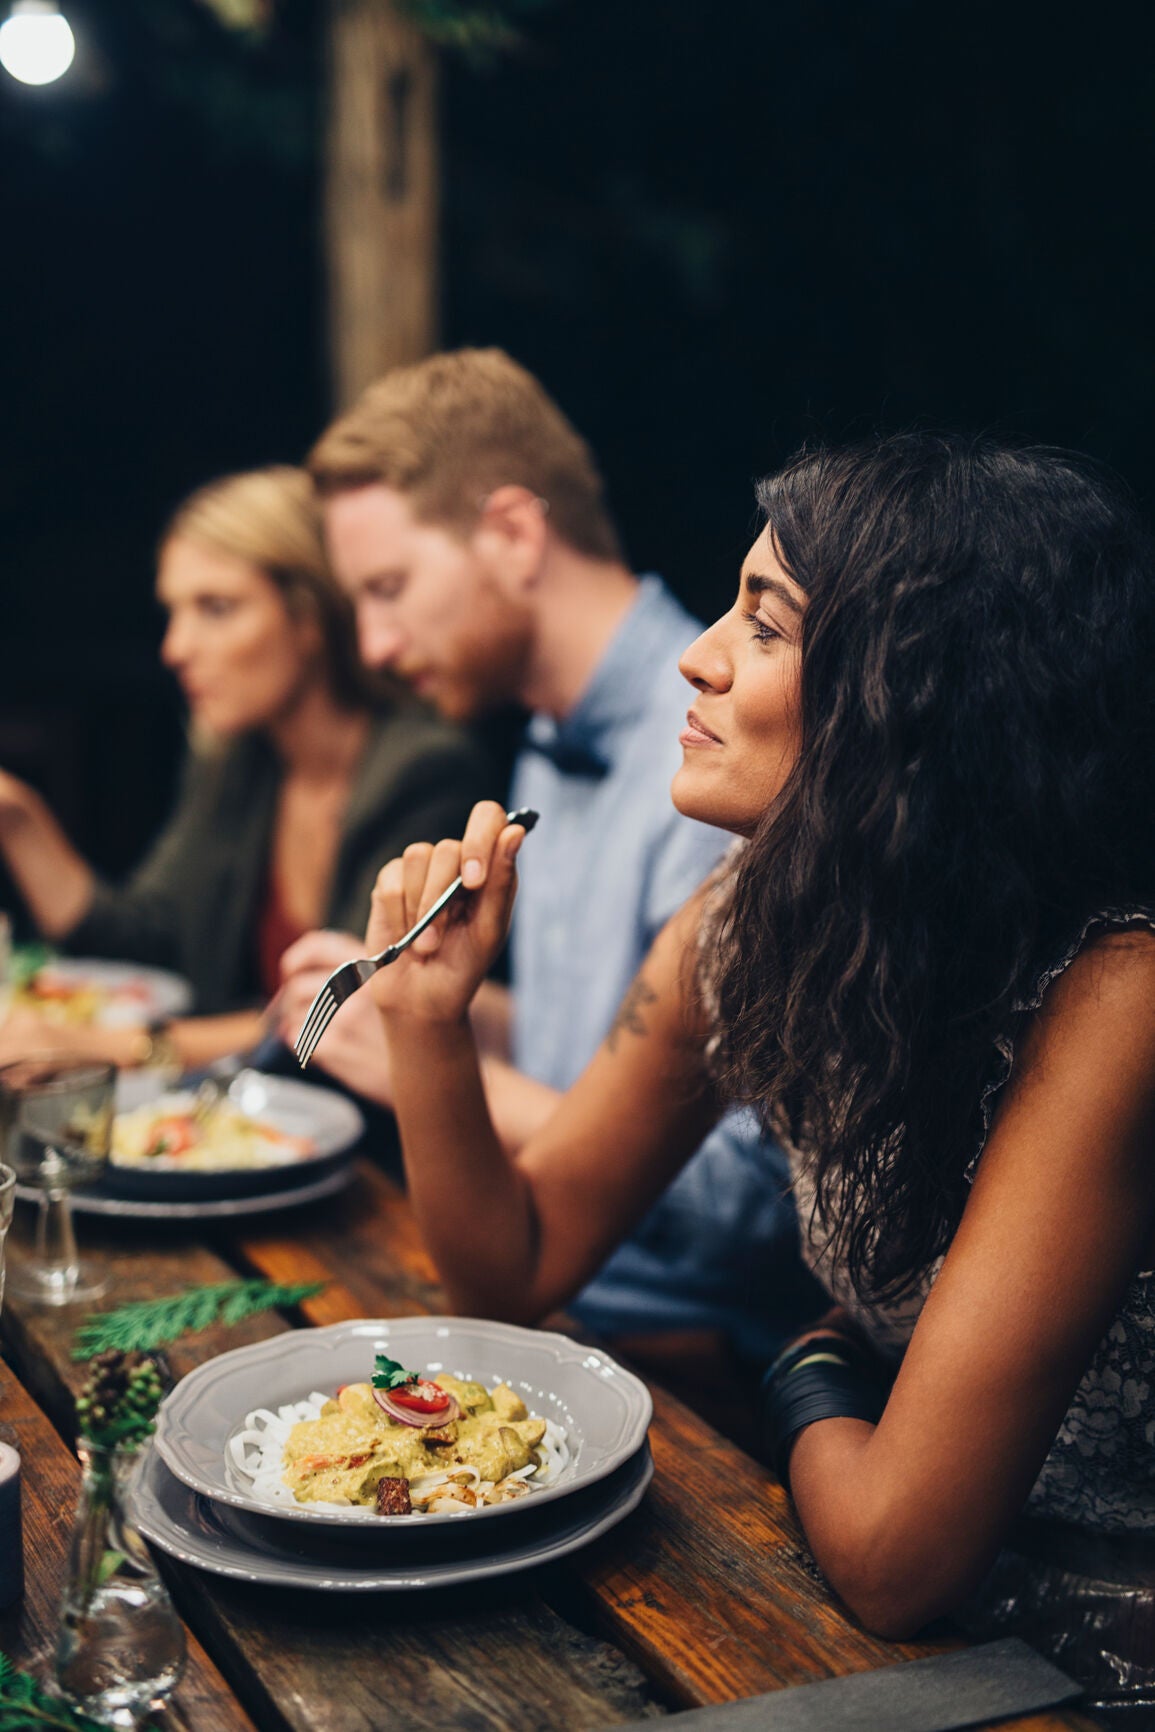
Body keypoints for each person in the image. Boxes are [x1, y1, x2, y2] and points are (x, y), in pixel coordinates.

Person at [345, 435, 1155, 1708]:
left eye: (764, 623)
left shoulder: (1114, 997)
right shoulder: (744, 927)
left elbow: (900, 1554)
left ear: (914, 694)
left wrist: (806, 1364)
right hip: (884, 1625)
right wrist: (429, 1025)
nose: (698, 651)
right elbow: (517, 1260)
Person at [278, 347, 821, 1393]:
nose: (377, 644)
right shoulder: (547, 740)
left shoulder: (724, 751)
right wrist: (436, 1007)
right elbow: (612, 1039)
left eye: (388, 589)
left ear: (515, 535)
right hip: (546, 1300)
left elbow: (754, 1205)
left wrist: (435, 1074)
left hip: (685, 1366)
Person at [0, 465, 488, 1074]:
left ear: (309, 617)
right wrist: (15, 815)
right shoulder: (240, 762)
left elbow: (333, 1017)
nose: (175, 647)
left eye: (216, 608)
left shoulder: (424, 773)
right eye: (175, 611)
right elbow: (146, 938)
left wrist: (106, 1049)